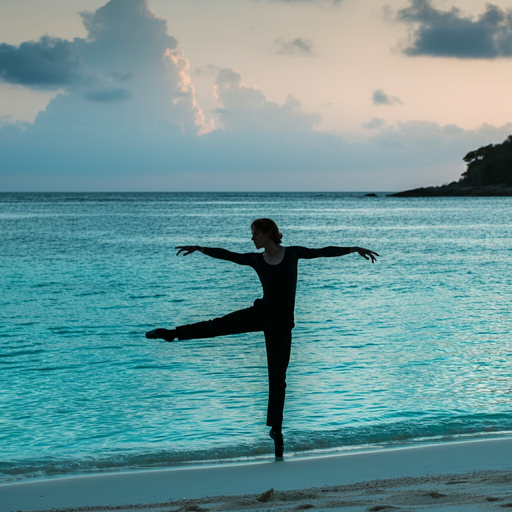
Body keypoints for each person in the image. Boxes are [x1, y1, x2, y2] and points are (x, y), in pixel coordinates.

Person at [146, 218, 378, 458]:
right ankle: (173, 334)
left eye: (255, 233)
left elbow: (322, 252)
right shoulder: (257, 260)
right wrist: (201, 249)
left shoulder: (292, 254)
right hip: (261, 313)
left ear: (269, 233)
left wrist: (353, 249)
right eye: (252, 234)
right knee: (218, 325)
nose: (252, 238)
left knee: (278, 378)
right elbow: (228, 255)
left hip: (281, 325)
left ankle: (276, 432)